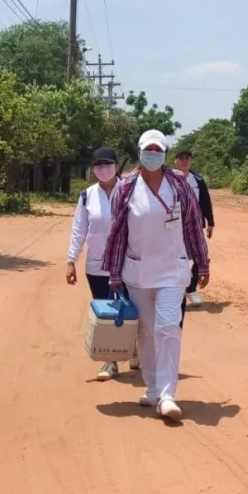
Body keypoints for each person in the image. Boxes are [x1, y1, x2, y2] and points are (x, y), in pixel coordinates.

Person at [102, 130, 211, 421]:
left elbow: (192, 226)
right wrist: (114, 273)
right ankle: (152, 389)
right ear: (140, 152)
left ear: (164, 153)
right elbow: (117, 233)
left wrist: (202, 262)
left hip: (172, 270)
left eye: (157, 149)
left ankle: (167, 394)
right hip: (137, 271)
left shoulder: (179, 185)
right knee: (146, 333)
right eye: (148, 149)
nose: (153, 154)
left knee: (168, 327)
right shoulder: (125, 188)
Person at [66, 147, 140, 381]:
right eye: (99, 166)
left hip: (127, 263)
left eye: (108, 165)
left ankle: (135, 349)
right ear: (93, 170)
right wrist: (71, 260)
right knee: (107, 312)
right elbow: (79, 230)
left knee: (132, 308)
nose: (103, 169)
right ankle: (111, 361)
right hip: (97, 266)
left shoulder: (131, 191)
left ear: (117, 166)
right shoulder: (87, 196)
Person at [173, 148, 215, 307]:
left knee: (201, 256)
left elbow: (205, 201)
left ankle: (190, 289)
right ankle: (174, 291)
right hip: (174, 225)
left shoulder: (197, 180)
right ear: (175, 160)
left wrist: (210, 222)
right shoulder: (167, 179)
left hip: (195, 224)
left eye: (187, 158)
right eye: (181, 158)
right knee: (177, 258)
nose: (184, 160)